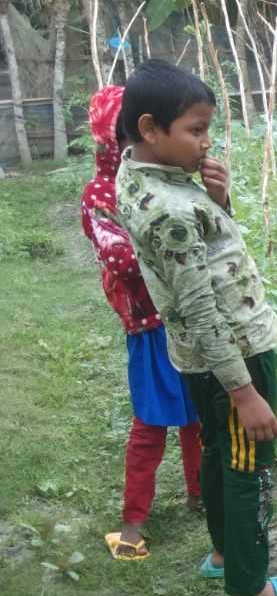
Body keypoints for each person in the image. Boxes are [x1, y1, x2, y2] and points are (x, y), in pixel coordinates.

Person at [116, 60, 277, 596]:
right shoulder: (172, 211)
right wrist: (246, 393)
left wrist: (217, 201)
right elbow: (201, 305)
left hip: (199, 358)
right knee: (250, 467)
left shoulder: (140, 175)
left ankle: (226, 555)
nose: (206, 142)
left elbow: (197, 260)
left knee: (223, 454)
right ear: (150, 128)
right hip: (234, 356)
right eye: (195, 130)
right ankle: (250, 594)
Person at [81, 85, 204, 560]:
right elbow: (121, 260)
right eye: (129, 132)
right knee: (151, 423)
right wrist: (175, 247)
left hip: (186, 316)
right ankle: (133, 522)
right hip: (148, 326)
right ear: (113, 138)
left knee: (198, 414)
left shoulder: (168, 181)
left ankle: (200, 494)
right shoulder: (100, 195)